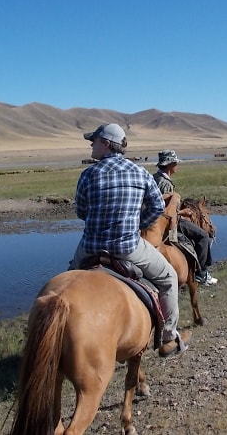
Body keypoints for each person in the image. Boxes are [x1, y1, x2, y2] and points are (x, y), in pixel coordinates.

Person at [69, 123, 191, 357]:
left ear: (106, 144)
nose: (91, 145)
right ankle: (168, 337)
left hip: (90, 247)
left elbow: (81, 212)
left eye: (93, 141)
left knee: (66, 279)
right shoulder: (140, 172)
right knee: (168, 278)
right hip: (128, 247)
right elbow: (156, 207)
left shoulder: (87, 174)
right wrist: (138, 224)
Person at [153, 150, 218, 286]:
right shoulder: (165, 183)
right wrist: (183, 212)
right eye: (175, 163)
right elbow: (165, 211)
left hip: (154, 221)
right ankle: (201, 273)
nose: (177, 165)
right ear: (170, 164)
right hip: (169, 222)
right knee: (203, 236)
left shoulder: (155, 178)